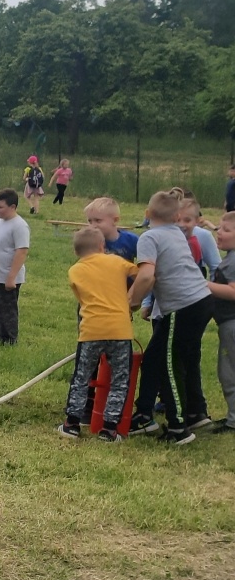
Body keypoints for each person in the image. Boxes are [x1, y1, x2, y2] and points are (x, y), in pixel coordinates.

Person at [130, 189, 217, 443]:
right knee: (155, 358)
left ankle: (179, 427)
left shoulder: (149, 236)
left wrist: (131, 303)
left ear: (147, 214)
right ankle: (145, 415)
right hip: (201, 302)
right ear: (177, 216)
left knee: (169, 364)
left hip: (183, 307)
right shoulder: (176, 234)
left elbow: (147, 276)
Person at [59, 227, 137, 442]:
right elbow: (140, 274)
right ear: (103, 247)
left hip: (91, 331)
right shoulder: (117, 262)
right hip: (120, 331)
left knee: (81, 377)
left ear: (76, 252)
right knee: (120, 379)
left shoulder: (74, 271)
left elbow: (81, 297)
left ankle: (72, 424)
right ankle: (109, 429)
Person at [0, 189, 30, 344]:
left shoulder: (19, 226)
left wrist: (11, 277)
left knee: (6, 310)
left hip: (7, 277)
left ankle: (8, 339)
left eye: (0, 207)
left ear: (13, 207)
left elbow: (21, 251)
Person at [209, 212, 235, 431]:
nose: (219, 232)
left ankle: (234, 420)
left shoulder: (233, 262)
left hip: (231, 325)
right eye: (219, 228)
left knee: (229, 372)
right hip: (227, 324)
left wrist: (202, 284)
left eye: (226, 230)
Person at [179, 198, 221, 277]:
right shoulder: (166, 237)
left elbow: (216, 268)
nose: (181, 224)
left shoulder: (202, 236)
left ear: (196, 221)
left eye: (187, 220)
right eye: (177, 220)